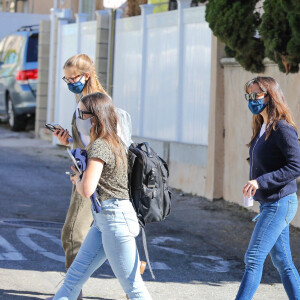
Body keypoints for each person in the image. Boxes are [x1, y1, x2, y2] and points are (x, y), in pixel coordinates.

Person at [50, 92, 152, 300]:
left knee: (134, 289)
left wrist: (78, 180)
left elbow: (87, 189)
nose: (78, 118)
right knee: (73, 279)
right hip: (106, 220)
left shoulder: (99, 146)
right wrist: (70, 146)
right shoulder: (114, 142)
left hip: (114, 222)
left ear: (94, 118)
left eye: (81, 114)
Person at [53, 54, 132, 300]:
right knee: (109, 242)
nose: (69, 82)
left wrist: (85, 178)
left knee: (74, 233)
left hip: (94, 180)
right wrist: (66, 141)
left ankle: (72, 293)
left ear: (86, 75)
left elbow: (104, 143)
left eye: (73, 78)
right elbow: (87, 141)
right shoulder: (83, 99)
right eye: (65, 78)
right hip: (86, 176)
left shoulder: (96, 102)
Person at [236, 76, 300, 299]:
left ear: (270, 96)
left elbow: (295, 166)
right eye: (248, 95)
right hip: (269, 203)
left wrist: (260, 182)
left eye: (256, 95)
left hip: (280, 203)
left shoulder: (282, 128)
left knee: (253, 258)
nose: (251, 100)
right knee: (284, 263)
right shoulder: (262, 126)